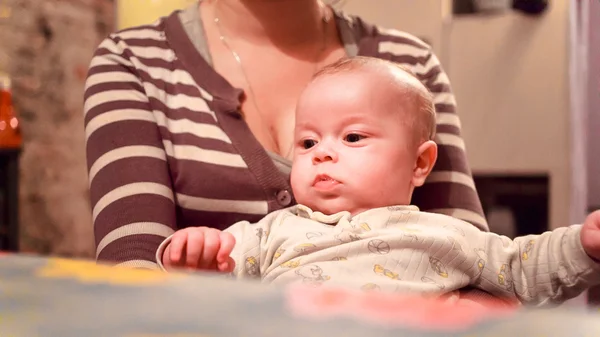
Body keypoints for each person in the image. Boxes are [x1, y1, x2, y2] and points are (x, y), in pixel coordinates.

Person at [84, 0, 492, 302]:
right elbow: (131, 278)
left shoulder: (409, 64)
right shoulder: (134, 61)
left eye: (354, 138)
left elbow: (481, 266)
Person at [156, 57, 600, 305]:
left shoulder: (446, 234)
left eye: (352, 137)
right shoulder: (274, 231)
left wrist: (583, 245)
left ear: (420, 164)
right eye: (307, 142)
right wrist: (192, 256)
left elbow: (523, 267)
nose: (323, 152)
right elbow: (218, 280)